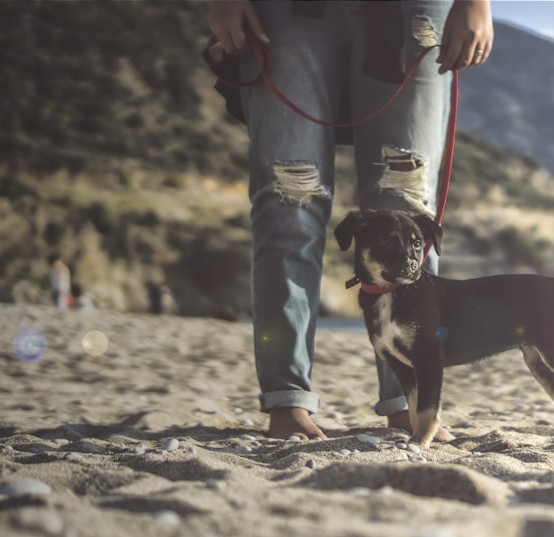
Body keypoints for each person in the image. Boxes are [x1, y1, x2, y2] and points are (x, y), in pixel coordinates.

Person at [208, 0, 493, 441]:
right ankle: (286, 400)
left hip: (412, 10)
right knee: (289, 203)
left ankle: (410, 407)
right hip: (280, 12)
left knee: (408, 208)